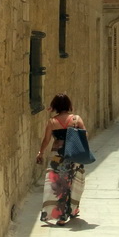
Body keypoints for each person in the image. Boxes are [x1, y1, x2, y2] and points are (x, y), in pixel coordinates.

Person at [36, 93, 87, 225]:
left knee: (59, 185)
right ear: (68, 105)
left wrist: (40, 153)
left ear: (55, 106)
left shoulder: (52, 122)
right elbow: (84, 136)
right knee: (74, 182)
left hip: (57, 156)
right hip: (74, 155)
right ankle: (72, 210)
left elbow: (46, 140)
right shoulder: (76, 119)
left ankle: (60, 215)